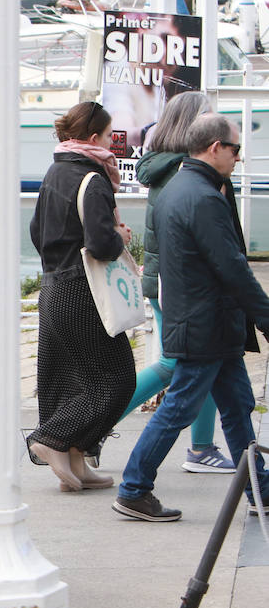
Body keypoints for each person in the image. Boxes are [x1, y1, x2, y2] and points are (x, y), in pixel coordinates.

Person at [115, 114, 269, 522]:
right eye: (236, 149)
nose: (239, 157)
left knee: (237, 406)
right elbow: (232, 266)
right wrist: (265, 316)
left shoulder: (177, 188)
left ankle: (259, 488)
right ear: (216, 147)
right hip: (206, 324)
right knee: (179, 408)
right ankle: (134, 488)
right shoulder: (203, 197)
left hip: (202, 322)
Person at [121, 92, 235, 473]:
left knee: (207, 358)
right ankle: (95, 424)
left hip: (165, 279)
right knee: (175, 363)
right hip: (182, 285)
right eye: (208, 118)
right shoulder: (188, 171)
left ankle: (202, 447)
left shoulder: (164, 165)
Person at [27, 101, 136, 492]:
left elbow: (36, 231)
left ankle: (75, 457)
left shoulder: (55, 171)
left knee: (73, 378)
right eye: (108, 136)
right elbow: (102, 245)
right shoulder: (93, 178)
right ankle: (52, 438)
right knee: (118, 379)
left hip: (54, 286)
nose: (111, 144)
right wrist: (120, 236)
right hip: (83, 291)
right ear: (93, 138)